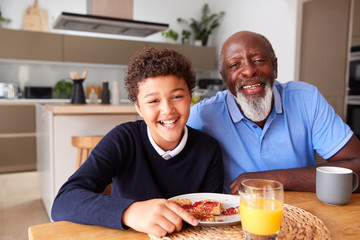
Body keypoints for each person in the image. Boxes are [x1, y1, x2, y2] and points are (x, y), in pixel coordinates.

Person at [51, 47, 224, 238]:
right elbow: (64, 202)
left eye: (177, 96)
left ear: (190, 98)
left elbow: (211, 220)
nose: (167, 110)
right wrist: (130, 212)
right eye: (153, 101)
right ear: (138, 108)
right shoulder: (123, 139)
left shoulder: (209, 150)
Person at [187, 31, 360, 194]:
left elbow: (357, 167)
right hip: (235, 222)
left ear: (275, 67)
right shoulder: (204, 115)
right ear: (224, 78)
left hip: (304, 216)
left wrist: (274, 179)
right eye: (234, 65)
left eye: (258, 60)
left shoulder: (306, 99)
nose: (248, 71)